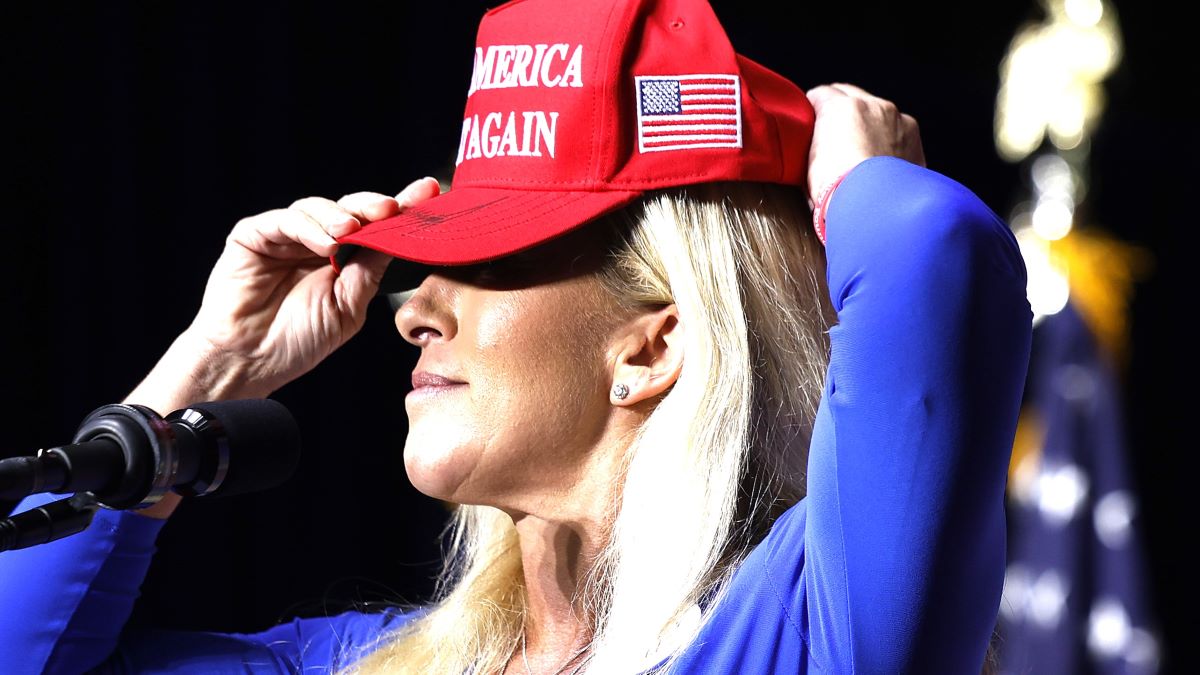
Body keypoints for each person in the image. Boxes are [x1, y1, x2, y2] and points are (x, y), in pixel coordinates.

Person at [0, 0, 1032, 673]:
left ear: (652, 348)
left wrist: (858, 181)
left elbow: (931, 252)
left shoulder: (807, 634)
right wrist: (206, 366)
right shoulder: (364, 664)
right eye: (432, 257)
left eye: (490, 262)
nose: (412, 308)